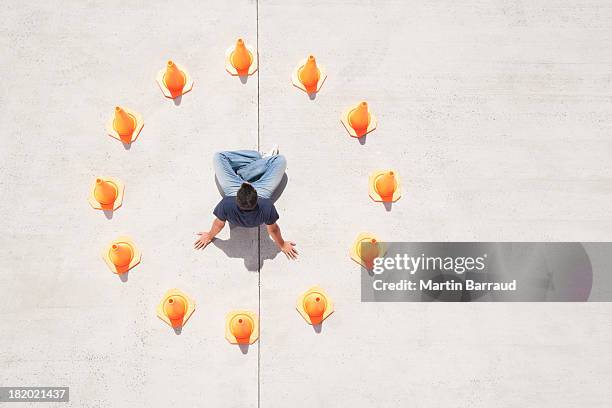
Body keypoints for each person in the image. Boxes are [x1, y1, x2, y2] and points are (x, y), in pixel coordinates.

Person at [194, 148, 298, 259]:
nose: (247, 183)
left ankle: (244, 170)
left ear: (236, 198)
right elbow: (273, 229)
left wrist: (209, 236)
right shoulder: (266, 205)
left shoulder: (227, 203)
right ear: (256, 196)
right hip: (262, 192)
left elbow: (219, 224)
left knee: (218, 157)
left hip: (234, 190)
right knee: (280, 160)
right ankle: (254, 163)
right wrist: (282, 245)